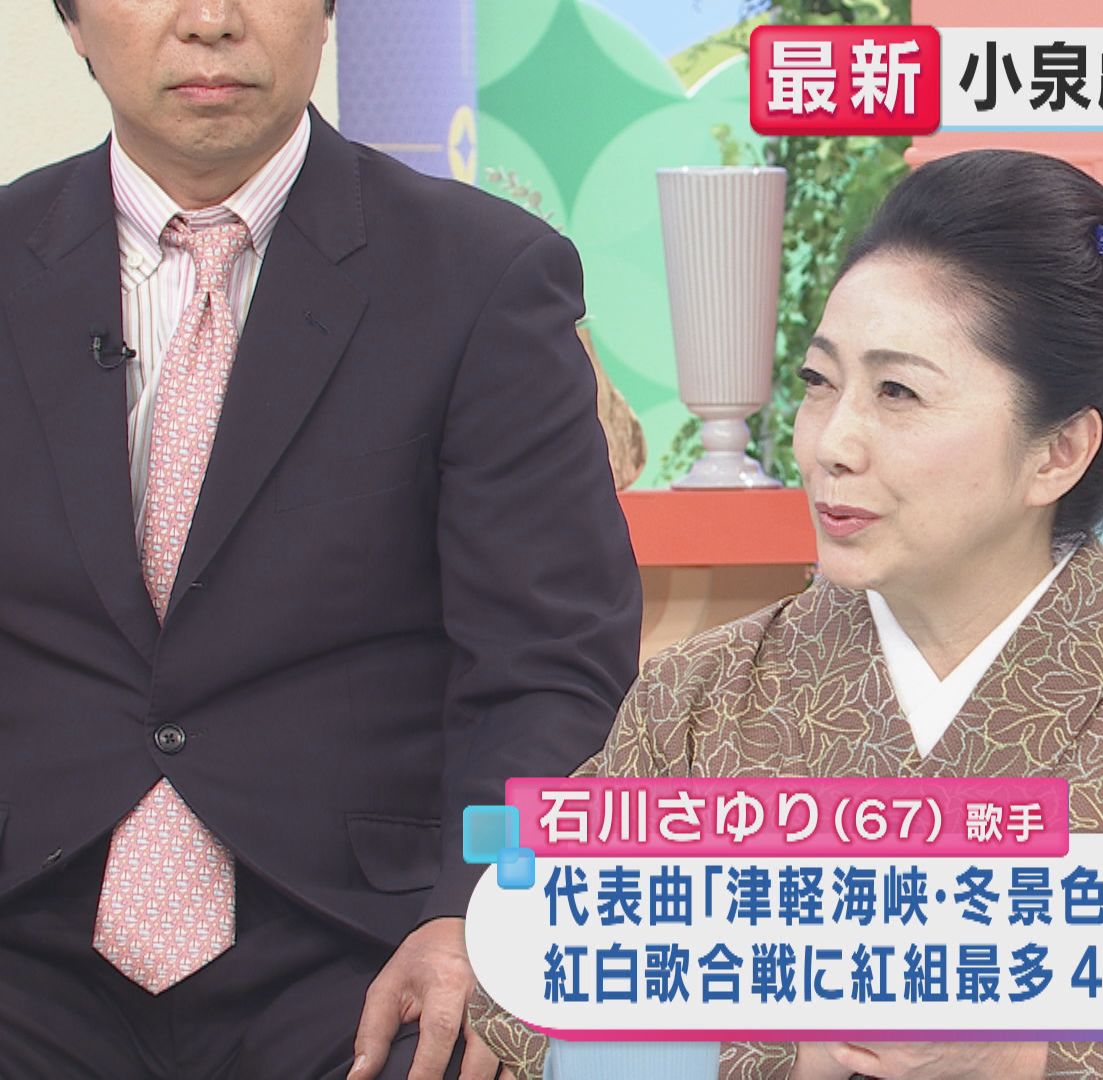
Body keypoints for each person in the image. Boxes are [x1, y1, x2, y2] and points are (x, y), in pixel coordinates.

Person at [469, 148, 1103, 1080]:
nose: (832, 443)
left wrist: (1034, 1059)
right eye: (820, 382)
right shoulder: (699, 699)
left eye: (898, 392)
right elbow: (529, 993)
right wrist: (792, 1054)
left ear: (1058, 452)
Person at [0, 2, 642, 1077]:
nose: (210, 21)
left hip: (362, 945)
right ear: (71, 19)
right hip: (26, 940)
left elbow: (549, 668)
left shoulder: (482, 275)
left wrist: (480, 915)